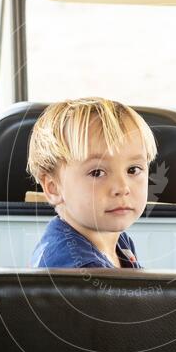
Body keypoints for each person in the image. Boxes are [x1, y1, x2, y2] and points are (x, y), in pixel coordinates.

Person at [28, 97, 157, 269]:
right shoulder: (78, 268)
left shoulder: (118, 240)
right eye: (97, 172)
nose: (122, 188)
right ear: (53, 188)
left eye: (133, 170)